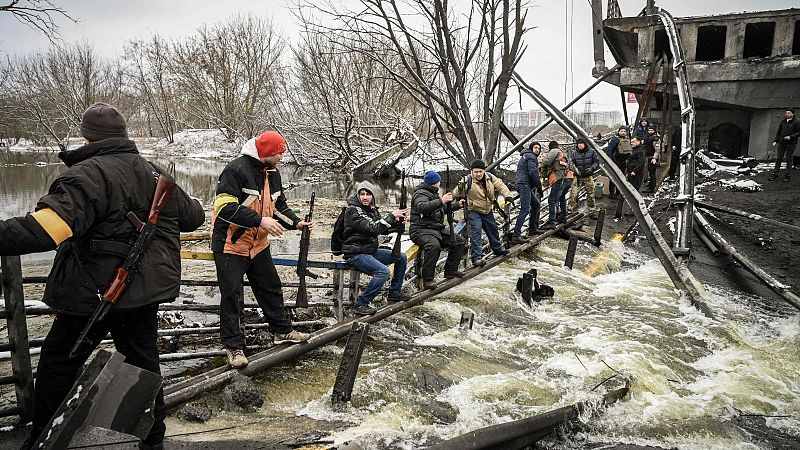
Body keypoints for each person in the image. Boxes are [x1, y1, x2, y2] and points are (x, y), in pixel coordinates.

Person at [0, 102, 205, 450]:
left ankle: (42, 439)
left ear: (87, 136)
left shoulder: (85, 175)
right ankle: (153, 442)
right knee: (144, 366)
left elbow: (45, 231)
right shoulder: (153, 171)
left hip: (91, 294)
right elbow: (193, 217)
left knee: (58, 366)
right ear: (123, 134)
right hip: (141, 294)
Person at [212, 130, 312, 369]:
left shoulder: (273, 173)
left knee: (271, 287)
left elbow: (278, 207)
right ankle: (234, 347)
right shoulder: (235, 170)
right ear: (267, 153)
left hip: (258, 245)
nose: (282, 157)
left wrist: (296, 223)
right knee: (232, 296)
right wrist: (259, 221)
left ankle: (282, 330)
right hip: (231, 244)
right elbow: (223, 207)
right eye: (279, 153)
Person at [342, 181, 411, 315]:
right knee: (383, 272)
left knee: (401, 257)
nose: (365, 197)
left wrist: (398, 223)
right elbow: (372, 229)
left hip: (368, 251)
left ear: (373, 196)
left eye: (368, 194)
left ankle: (394, 293)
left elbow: (383, 229)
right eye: (362, 194)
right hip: (355, 253)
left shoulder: (372, 210)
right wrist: (391, 216)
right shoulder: (353, 210)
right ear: (358, 196)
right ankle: (361, 304)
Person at [409, 171, 466, 289]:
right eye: (439, 181)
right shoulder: (420, 193)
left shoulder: (432, 192)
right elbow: (422, 207)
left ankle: (450, 271)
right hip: (420, 229)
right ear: (435, 183)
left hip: (435, 228)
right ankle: (427, 280)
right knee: (433, 246)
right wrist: (442, 200)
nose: (440, 183)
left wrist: (457, 205)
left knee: (459, 241)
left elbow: (440, 209)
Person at [452, 159, 511, 267]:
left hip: (487, 209)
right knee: (476, 232)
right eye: (476, 172)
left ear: (484, 171)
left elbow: (501, 186)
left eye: (480, 171)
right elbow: (455, 193)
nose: (478, 174)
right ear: (471, 171)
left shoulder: (490, 177)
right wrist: (460, 187)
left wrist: (508, 196)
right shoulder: (467, 180)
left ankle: (498, 249)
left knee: (493, 229)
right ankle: (476, 258)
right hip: (473, 210)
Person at [512, 142, 544, 244]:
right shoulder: (531, 156)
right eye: (535, 148)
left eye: (539, 149)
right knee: (525, 209)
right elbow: (533, 172)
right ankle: (516, 235)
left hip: (524, 184)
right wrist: (539, 186)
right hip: (524, 184)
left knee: (536, 205)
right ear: (531, 148)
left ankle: (532, 229)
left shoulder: (527, 155)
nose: (537, 150)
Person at [540, 141, 575, 229]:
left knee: (552, 199)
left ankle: (552, 221)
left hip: (560, 178)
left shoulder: (554, 150)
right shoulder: (563, 152)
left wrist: (541, 159)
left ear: (550, 147)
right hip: (569, 177)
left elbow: (547, 161)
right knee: (562, 196)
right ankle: (563, 217)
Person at [567, 138, 600, 219]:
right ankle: (569, 210)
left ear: (585, 144)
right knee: (573, 193)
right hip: (578, 176)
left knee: (591, 193)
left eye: (581, 143)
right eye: (578, 144)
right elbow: (570, 162)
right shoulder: (574, 153)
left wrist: (591, 169)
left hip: (588, 176)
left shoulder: (591, 152)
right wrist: (575, 169)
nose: (580, 145)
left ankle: (592, 210)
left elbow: (597, 162)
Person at [769, 109, 799, 181]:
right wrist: (775, 141)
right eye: (786, 113)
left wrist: (790, 137)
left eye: (788, 113)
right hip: (782, 143)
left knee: (789, 159)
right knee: (779, 158)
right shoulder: (783, 121)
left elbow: (799, 132)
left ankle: (787, 175)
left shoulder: (797, 121)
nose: (786, 114)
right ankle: (775, 174)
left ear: (793, 114)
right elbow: (779, 132)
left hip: (791, 144)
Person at [606, 126, 633, 198]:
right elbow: (609, 150)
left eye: (624, 131)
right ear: (618, 132)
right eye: (622, 131)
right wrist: (610, 160)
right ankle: (612, 193)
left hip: (623, 161)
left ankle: (618, 193)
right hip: (615, 160)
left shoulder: (626, 139)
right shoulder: (615, 140)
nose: (623, 132)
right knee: (613, 177)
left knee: (621, 177)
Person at [642, 127, 661, 193]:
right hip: (648, 156)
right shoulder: (648, 137)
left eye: (652, 130)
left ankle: (652, 187)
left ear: (654, 131)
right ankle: (651, 184)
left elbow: (657, 149)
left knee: (652, 172)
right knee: (650, 171)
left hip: (652, 157)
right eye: (649, 130)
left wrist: (654, 158)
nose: (650, 131)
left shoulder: (655, 139)